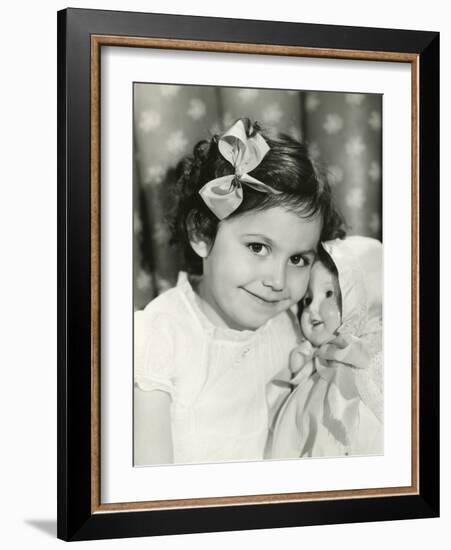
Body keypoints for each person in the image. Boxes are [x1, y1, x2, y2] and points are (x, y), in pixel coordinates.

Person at [134, 117, 345, 465]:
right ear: (202, 234)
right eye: (258, 248)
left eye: (297, 259)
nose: (278, 280)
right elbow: (148, 492)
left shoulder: (293, 327)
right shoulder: (157, 339)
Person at [270, 236, 383, 459]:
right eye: (307, 299)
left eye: (329, 294)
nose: (312, 309)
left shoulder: (377, 354)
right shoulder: (315, 362)